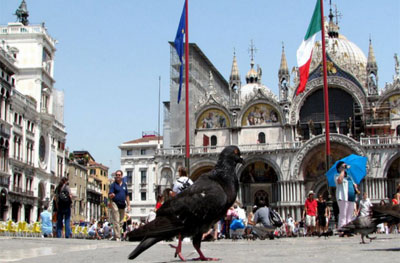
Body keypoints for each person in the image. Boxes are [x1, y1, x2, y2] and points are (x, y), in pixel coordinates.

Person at [335, 161, 358, 229]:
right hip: (343, 197)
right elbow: (339, 181)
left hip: (351, 197)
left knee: (350, 215)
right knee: (343, 214)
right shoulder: (336, 175)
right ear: (339, 168)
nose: (344, 168)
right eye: (342, 166)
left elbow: (353, 184)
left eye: (344, 166)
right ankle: (342, 229)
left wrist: (355, 186)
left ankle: (349, 229)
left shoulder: (349, 177)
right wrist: (343, 170)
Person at [109, 170, 130, 241]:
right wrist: (111, 195)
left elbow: (127, 195)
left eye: (119, 175)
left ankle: (117, 235)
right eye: (116, 175)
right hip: (115, 203)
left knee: (121, 221)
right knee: (116, 220)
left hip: (122, 204)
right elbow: (110, 194)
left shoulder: (124, 185)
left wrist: (129, 205)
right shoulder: (113, 185)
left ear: (121, 176)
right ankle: (117, 237)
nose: (118, 176)